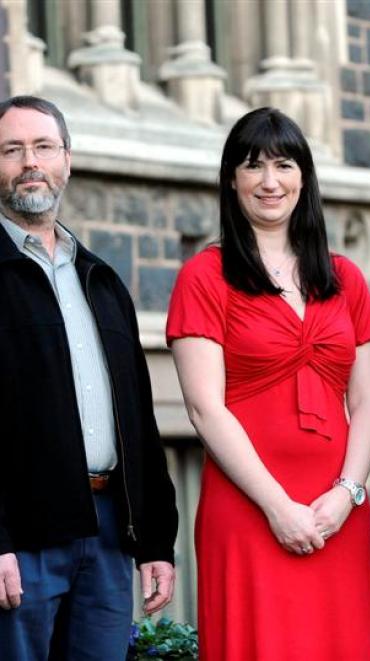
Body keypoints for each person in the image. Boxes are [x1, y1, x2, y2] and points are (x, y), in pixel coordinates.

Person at [166, 107, 370, 660]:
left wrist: (347, 493)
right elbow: (203, 408)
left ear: (304, 178)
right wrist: (277, 507)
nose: (269, 181)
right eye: (253, 166)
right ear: (231, 180)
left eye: (284, 165)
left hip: (338, 513)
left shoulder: (345, 278)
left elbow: (369, 401)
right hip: (248, 511)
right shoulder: (204, 276)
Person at [0, 95, 178, 661]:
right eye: (12, 149)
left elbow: (139, 421)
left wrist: (155, 540)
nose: (30, 161)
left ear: (67, 160)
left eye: (44, 147)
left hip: (106, 532)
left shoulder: (100, 280)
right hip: (22, 538)